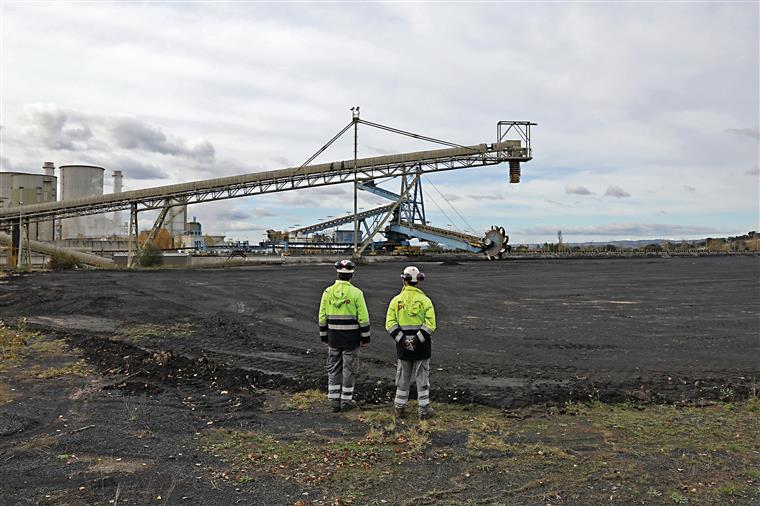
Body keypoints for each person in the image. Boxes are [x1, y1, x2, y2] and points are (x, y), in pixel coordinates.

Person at [318, 259, 371, 412]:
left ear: (337, 273)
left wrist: (324, 337)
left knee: (333, 367)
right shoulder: (356, 293)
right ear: (351, 275)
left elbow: (322, 317)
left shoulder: (327, 292)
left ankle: (334, 401)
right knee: (349, 369)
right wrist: (365, 338)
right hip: (351, 339)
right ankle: (345, 401)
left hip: (333, 338)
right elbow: (363, 318)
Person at [385, 265, 437, 420]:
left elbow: (390, 323)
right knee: (422, 377)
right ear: (418, 281)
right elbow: (431, 324)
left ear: (404, 280)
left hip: (403, 346)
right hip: (422, 345)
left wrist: (404, 340)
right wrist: (416, 340)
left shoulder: (396, 300)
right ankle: (424, 410)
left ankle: (399, 408)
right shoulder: (425, 300)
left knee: (402, 377)